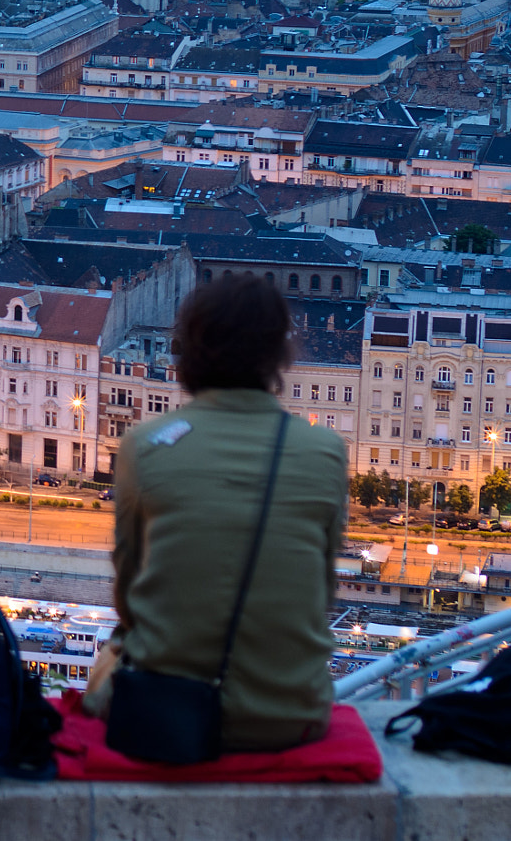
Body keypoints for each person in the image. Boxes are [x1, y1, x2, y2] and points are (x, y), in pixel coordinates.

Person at [83, 275, 349, 751]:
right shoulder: (324, 450)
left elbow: (129, 595)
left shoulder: (143, 446)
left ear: (186, 353)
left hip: (164, 711)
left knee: (110, 657)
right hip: (291, 715)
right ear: (279, 357)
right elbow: (320, 590)